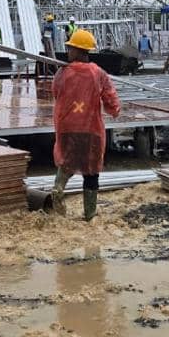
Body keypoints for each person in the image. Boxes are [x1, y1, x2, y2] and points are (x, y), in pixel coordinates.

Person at [51, 29, 121, 221]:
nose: (68, 52)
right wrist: (114, 110)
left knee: (66, 162)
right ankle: (89, 215)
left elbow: (55, 92)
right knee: (91, 172)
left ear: (79, 51)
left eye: (71, 48)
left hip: (67, 128)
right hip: (91, 129)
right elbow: (110, 97)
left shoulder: (62, 72)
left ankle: (57, 190)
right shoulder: (98, 73)